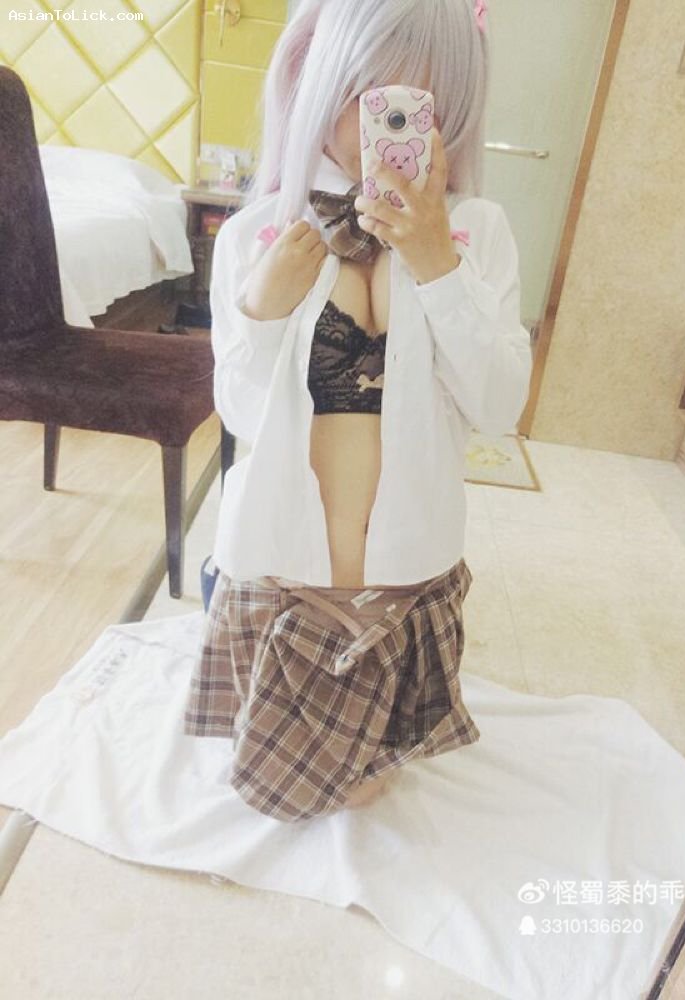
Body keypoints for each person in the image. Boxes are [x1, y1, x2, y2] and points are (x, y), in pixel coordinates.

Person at [182, 0, 533, 822]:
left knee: (367, 789)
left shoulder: (478, 232)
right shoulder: (259, 234)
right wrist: (264, 309)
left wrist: (438, 265)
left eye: (414, 105)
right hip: (281, 560)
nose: (382, 127)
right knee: (274, 793)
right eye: (364, 95)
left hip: (404, 570)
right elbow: (240, 414)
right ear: (316, 79)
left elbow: (499, 407)